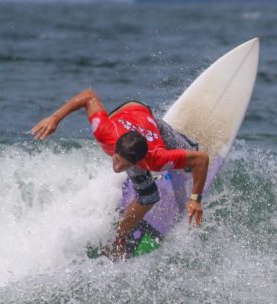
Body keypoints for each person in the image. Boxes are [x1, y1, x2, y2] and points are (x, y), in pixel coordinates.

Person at [31, 89, 209, 258]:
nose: (116, 168)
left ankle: (184, 143)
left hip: (147, 120)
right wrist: (55, 118)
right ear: (115, 149)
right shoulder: (104, 132)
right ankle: (119, 240)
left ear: (139, 162)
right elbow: (88, 96)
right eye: (116, 160)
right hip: (130, 109)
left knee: (188, 164)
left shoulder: (157, 158)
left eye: (123, 166)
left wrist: (195, 200)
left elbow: (201, 159)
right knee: (148, 197)